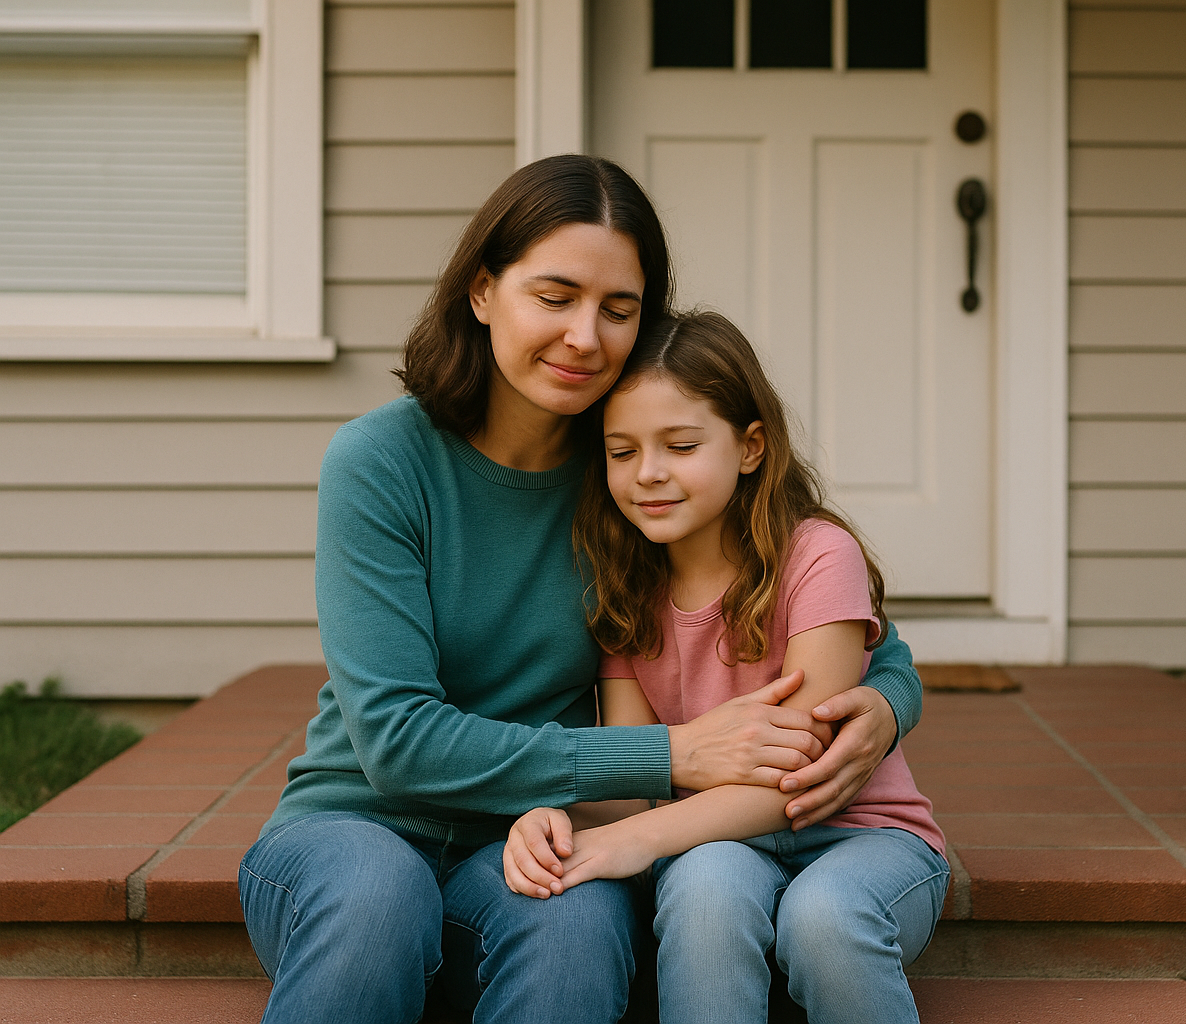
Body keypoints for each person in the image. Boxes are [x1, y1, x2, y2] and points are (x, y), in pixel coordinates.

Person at [236, 156, 927, 1024]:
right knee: (380, 898)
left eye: (619, 310)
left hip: (539, 832)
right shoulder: (382, 462)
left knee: (577, 928)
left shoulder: (633, 469)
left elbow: (861, 629)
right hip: (360, 827)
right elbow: (396, 742)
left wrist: (893, 701)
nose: (585, 337)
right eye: (554, 298)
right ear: (483, 291)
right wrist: (671, 756)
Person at [503, 311, 949, 1024]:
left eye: (680, 445)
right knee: (704, 888)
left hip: (861, 836)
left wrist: (636, 838)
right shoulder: (625, 593)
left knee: (821, 918)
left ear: (749, 447)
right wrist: (556, 818)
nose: (648, 473)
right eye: (621, 452)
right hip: (717, 842)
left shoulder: (816, 557)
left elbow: (800, 774)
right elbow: (631, 776)